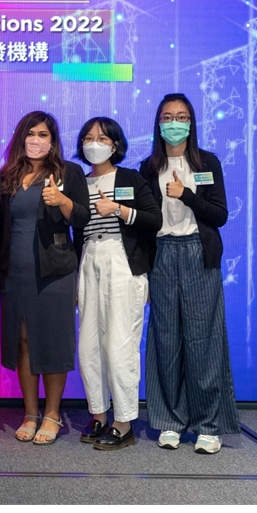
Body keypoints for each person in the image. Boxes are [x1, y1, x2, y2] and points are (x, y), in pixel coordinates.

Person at [140, 93, 240, 454]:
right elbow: (146, 221)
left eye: (181, 116)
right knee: (166, 339)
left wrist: (187, 195)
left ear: (192, 122)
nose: (174, 123)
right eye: (167, 117)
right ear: (158, 123)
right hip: (162, 255)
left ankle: (208, 425)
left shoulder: (207, 162)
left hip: (198, 252)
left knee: (203, 340)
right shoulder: (148, 167)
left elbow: (219, 215)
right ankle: (170, 420)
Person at [0, 111, 89, 445]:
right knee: (22, 340)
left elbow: (82, 217)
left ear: (53, 140)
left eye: (43, 135)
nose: (36, 140)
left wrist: (62, 201)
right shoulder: (8, 175)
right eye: (30, 133)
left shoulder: (68, 172)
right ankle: (30, 413)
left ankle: (52, 414)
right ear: (21, 137)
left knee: (52, 340)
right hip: (14, 272)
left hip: (54, 271)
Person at [72, 117, 161, 450]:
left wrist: (119, 210)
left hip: (122, 261)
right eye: (88, 138)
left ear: (115, 145)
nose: (94, 143)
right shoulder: (78, 182)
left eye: (102, 138)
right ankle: (98, 413)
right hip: (88, 260)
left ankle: (123, 422)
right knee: (88, 347)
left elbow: (154, 219)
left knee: (119, 345)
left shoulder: (130, 178)